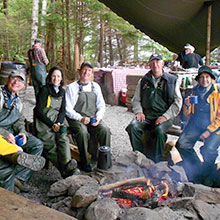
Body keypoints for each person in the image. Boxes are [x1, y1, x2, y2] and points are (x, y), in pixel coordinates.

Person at [126, 54, 183, 162]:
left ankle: (157, 160)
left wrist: (166, 116)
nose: (155, 64)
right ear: (149, 65)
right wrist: (139, 112)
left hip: (164, 115)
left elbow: (178, 101)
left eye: (158, 62)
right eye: (152, 62)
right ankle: (140, 156)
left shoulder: (172, 81)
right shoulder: (143, 81)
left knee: (159, 130)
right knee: (133, 127)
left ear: (162, 64)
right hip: (146, 115)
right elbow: (136, 99)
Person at [0, 70, 45, 191]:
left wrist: (22, 133)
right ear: (8, 80)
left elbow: (19, 120)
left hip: (11, 133)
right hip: (1, 134)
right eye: (14, 78)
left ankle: (18, 178)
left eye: (20, 80)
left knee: (37, 145)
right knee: (12, 153)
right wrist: (5, 134)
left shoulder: (18, 102)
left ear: (24, 85)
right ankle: (10, 176)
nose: (16, 82)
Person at [176, 66, 220, 186]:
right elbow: (186, 116)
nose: (204, 80)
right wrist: (187, 105)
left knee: (208, 150)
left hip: (216, 127)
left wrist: (209, 131)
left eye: (207, 77)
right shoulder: (194, 92)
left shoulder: (218, 92)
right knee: (182, 144)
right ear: (198, 79)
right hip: (196, 125)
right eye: (201, 77)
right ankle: (198, 169)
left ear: (211, 78)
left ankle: (208, 177)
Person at [65, 62, 111, 172]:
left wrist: (99, 118)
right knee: (82, 132)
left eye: (89, 70)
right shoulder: (71, 87)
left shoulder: (95, 86)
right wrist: (80, 118)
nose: (86, 72)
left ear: (91, 73)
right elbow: (68, 109)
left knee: (105, 130)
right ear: (80, 71)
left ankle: (104, 159)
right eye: (84, 70)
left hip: (92, 117)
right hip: (77, 118)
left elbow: (101, 105)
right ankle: (85, 162)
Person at [34, 66, 78, 178]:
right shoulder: (44, 90)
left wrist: (58, 122)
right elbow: (39, 111)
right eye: (54, 76)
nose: (56, 78)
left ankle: (68, 165)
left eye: (58, 76)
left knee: (63, 139)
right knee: (51, 146)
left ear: (62, 78)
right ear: (50, 77)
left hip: (56, 123)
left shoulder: (62, 92)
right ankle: (65, 170)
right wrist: (51, 124)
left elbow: (62, 110)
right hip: (43, 123)